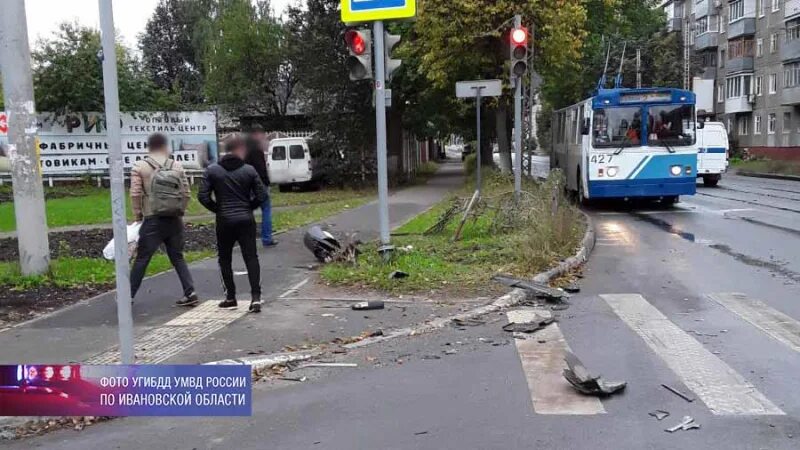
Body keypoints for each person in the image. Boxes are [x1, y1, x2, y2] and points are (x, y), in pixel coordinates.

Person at [199, 136, 267, 312]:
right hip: (245, 219)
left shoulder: (213, 171)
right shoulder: (249, 170)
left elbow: (203, 196)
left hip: (224, 220)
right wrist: (248, 208)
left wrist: (218, 209)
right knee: (251, 257)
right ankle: (256, 298)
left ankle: (230, 297)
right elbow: (262, 195)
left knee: (224, 259)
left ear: (224, 151)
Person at [129, 133, 197, 307]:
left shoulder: (140, 166)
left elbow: (136, 193)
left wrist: (137, 214)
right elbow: (186, 193)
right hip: (174, 218)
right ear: (165, 146)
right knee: (178, 257)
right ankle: (190, 292)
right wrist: (180, 210)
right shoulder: (177, 166)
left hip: (152, 218)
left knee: (143, 258)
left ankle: (128, 295)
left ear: (149, 147)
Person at [245, 125, 277, 247]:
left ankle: (247, 238)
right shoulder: (255, 149)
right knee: (266, 210)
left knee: (247, 212)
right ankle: (267, 238)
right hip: (259, 184)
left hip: (247, 185)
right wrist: (266, 183)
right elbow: (260, 168)